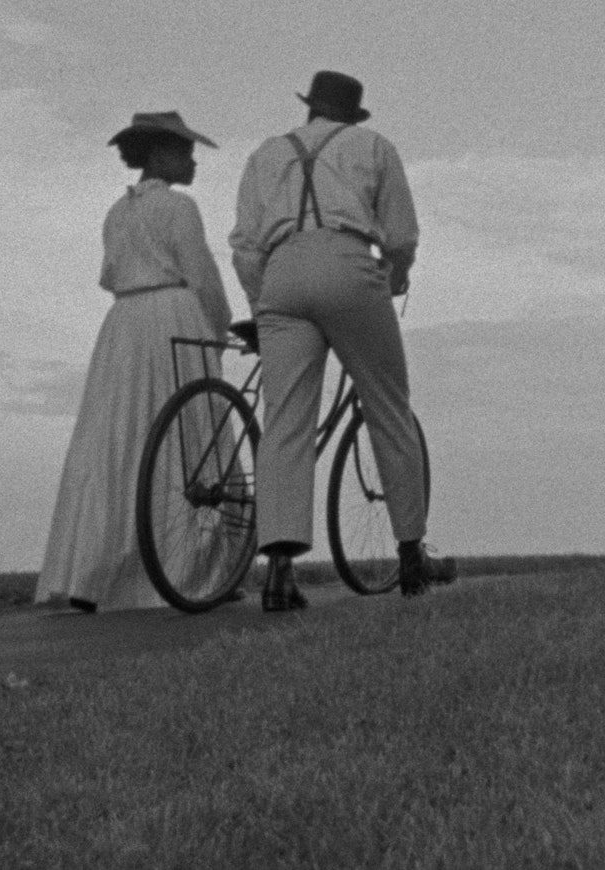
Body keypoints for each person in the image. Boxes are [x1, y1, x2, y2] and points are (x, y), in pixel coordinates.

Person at [229, 71, 455, 611]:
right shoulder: (374, 147)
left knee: (285, 422)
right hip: (349, 267)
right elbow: (399, 235)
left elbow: (244, 245)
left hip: (281, 272)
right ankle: (410, 554)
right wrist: (394, 278)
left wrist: (265, 302)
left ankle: (280, 571)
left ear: (310, 109)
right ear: (352, 116)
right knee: (389, 409)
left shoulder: (265, 155)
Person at [35, 112, 233, 612]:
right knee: (187, 432)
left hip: (124, 326)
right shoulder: (179, 209)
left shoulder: (116, 214)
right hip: (172, 315)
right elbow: (202, 276)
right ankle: (190, 566)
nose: (191, 162)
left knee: (119, 437)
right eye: (184, 152)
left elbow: (110, 274)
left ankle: (99, 569)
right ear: (160, 155)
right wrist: (221, 326)